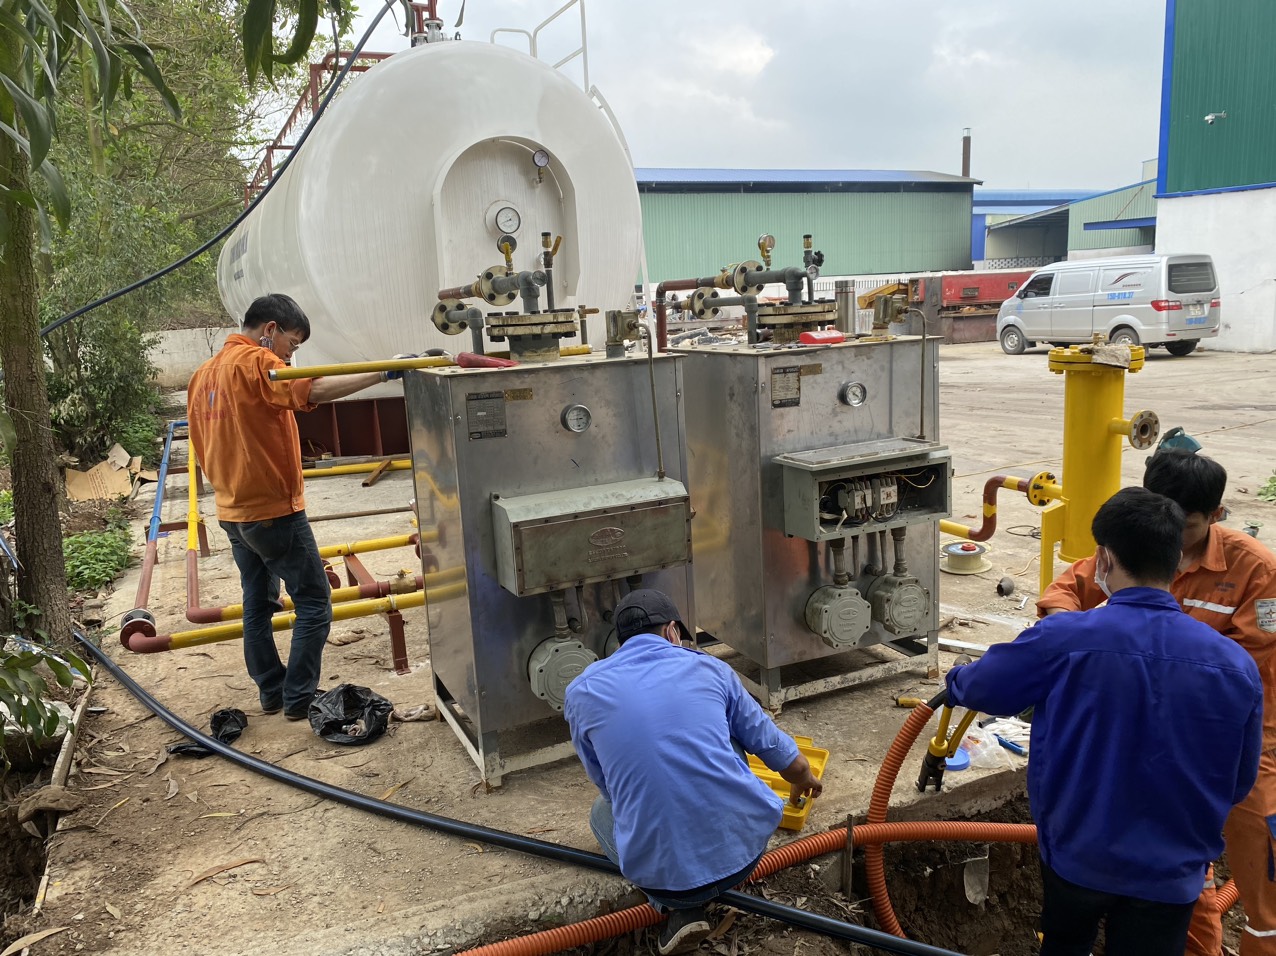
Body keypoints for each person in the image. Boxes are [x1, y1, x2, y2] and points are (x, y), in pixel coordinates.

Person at [949, 487, 1262, 956]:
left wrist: (956, 679)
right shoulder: (1235, 665)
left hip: (1078, 856)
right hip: (1172, 873)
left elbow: (982, 688)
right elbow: (1239, 782)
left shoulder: (1064, 638)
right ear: (1177, 560)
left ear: (1105, 559)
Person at [1039, 450, 1276, 955]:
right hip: (1152, 724)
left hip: (1231, 730)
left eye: (1184, 524)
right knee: (1176, 860)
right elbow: (1065, 592)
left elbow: (1252, 668)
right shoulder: (1139, 542)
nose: (1169, 532)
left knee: (1258, 853)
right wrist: (1069, 636)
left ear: (1215, 515)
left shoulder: (1258, 570)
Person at [564, 589, 823, 956]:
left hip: (664, 881)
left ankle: (677, 907)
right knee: (728, 733)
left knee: (600, 813)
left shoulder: (581, 692)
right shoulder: (710, 668)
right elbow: (771, 745)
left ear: (622, 642)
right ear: (672, 631)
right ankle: (698, 879)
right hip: (744, 856)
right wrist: (803, 778)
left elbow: (606, 785)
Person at [188, 294, 406, 721]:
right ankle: (299, 697)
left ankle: (272, 692)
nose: (291, 355)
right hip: (273, 511)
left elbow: (200, 443)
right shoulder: (257, 363)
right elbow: (313, 389)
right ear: (270, 330)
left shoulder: (203, 375)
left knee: (257, 604)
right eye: (293, 342)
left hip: (232, 512)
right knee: (314, 602)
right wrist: (383, 371)